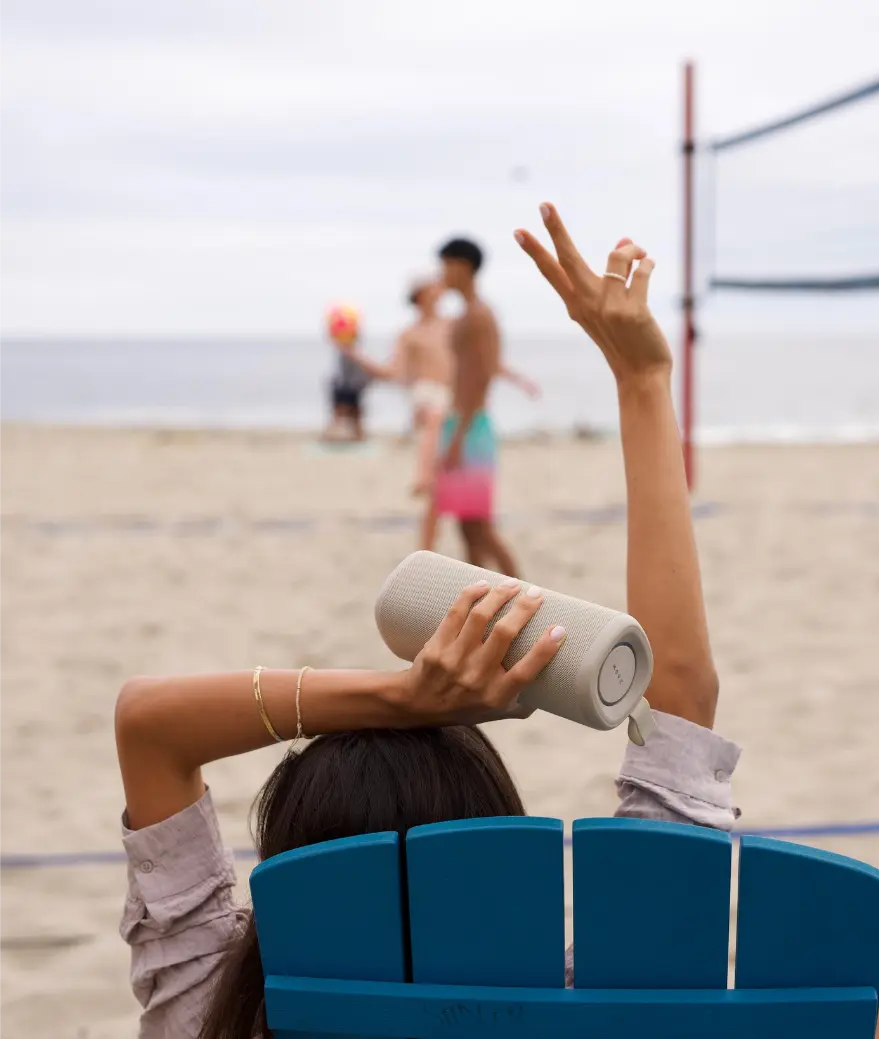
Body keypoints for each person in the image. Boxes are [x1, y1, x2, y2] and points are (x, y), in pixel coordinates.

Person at [116, 202, 737, 1038]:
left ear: (288, 873)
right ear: (502, 847)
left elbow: (148, 721)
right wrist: (641, 382)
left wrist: (401, 698)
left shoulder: (214, 1007)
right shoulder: (596, 995)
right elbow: (684, 695)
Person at [352, 275, 539, 551]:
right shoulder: (409, 334)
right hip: (427, 397)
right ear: (420, 297)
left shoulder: (454, 326)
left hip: (454, 405)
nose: (438, 290)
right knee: (435, 417)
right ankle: (423, 475)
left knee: (444, 496)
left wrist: (518, 379)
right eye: (430, 289)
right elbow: (393, 372)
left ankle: (429, 541)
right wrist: (354, 353)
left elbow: (484, 360)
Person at [433, 237, 521, 575]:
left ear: (463, 266)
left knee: (481, 526)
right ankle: (485, 602)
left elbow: (483, 376)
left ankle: (524, 596)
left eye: (446, 265)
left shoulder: (480, 316)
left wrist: (458, 438)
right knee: (466, 526)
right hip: (460, 422)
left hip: (472, 426)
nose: (442, 273)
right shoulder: (466, 315)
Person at [321, 311, 371, 443]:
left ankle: (358, 436)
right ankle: (335, 436)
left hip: (353, 385)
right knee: (341, 412)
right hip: (344, 385)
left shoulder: (353, 350)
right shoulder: (345, 349)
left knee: (355, 413)